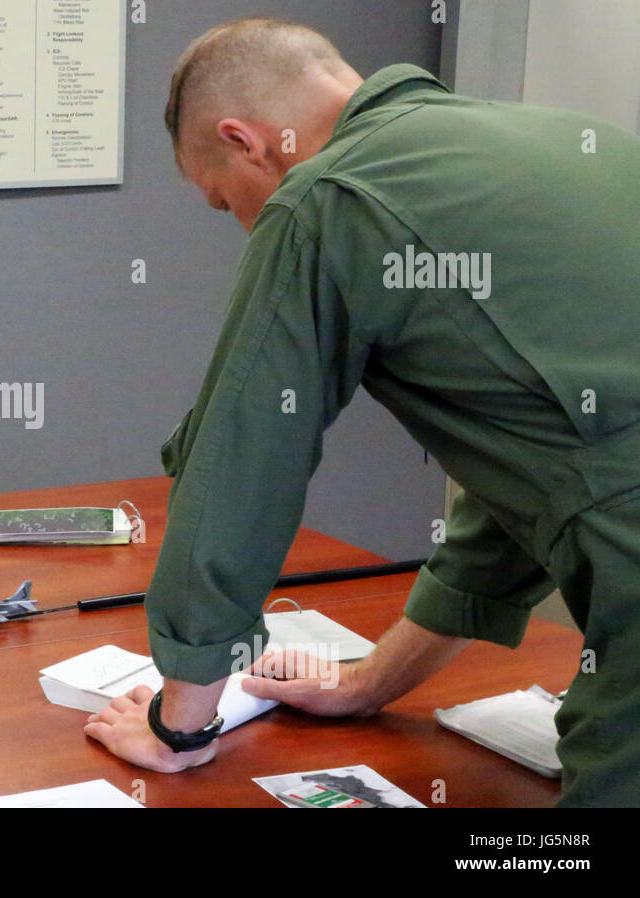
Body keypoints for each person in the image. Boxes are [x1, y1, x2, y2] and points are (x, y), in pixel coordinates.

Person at [82, 18, 640, 807]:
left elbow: (240, 466)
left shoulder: (325, 199)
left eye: (221, 202)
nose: (239, 221)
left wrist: (180, 729)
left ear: (246, 142)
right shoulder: (567, 137)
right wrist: (368, 684)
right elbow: (548, 472)